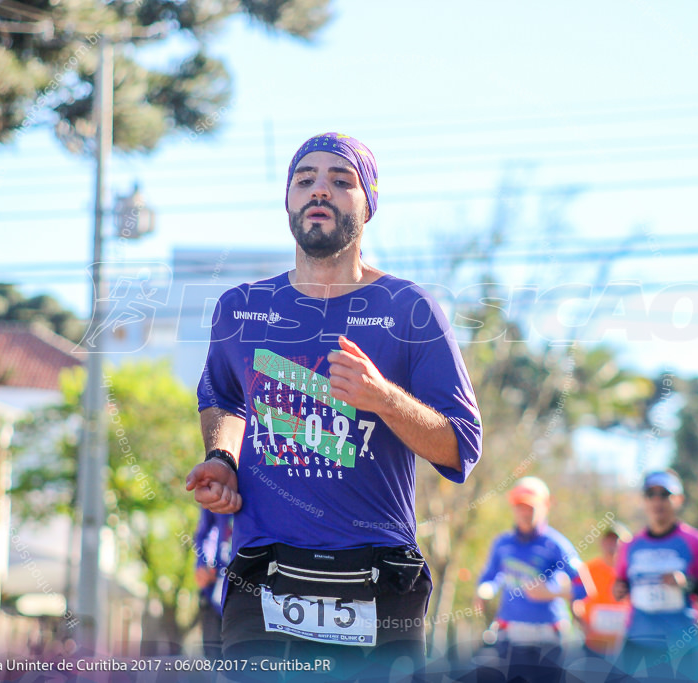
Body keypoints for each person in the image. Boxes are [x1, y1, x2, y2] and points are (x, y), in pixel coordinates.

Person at [185, 132, 483, 680]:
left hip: (377, 572)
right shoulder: (241, 308)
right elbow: (223, 397)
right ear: (288, 202)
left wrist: (383, 397)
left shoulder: (410, 308)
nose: (320, 190)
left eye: (340, 181)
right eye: (305, 180)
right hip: (264, 568)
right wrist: (223, 459)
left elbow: (460, 449)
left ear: (367, 205)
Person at [474, 477, 595, 681]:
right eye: (520, 506)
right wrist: (484, 589)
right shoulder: (502, 543)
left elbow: (585, 587)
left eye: (531, 506)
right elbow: (491, 576)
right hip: (510, 634)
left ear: (545, 506)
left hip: (548, 635)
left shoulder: (556, 544)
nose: (525, 512)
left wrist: (551, 593)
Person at [609, 470, 698, 681]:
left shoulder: (696, 541)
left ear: (678, 499)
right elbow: (622, 584)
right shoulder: (631, 545)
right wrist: (619, 589)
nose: (657, 500)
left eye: (665, 494)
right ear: (644, 501)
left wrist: (686, 582)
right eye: (651, 494)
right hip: (637, 642)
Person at [574, 522, 631, 658]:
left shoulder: (632, 571)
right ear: (601, 543)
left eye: (617, 540)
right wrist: (583, 625)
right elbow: (574, 600)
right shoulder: (587, 569)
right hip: (593, 646)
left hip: (626, 646)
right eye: (608, 540)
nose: (612, 544)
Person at [193, 509, 233, 660]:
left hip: (256, 590)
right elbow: (202, 533)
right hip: (215, 591)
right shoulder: (216, 487)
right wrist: (201, 565)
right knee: (214, 655)